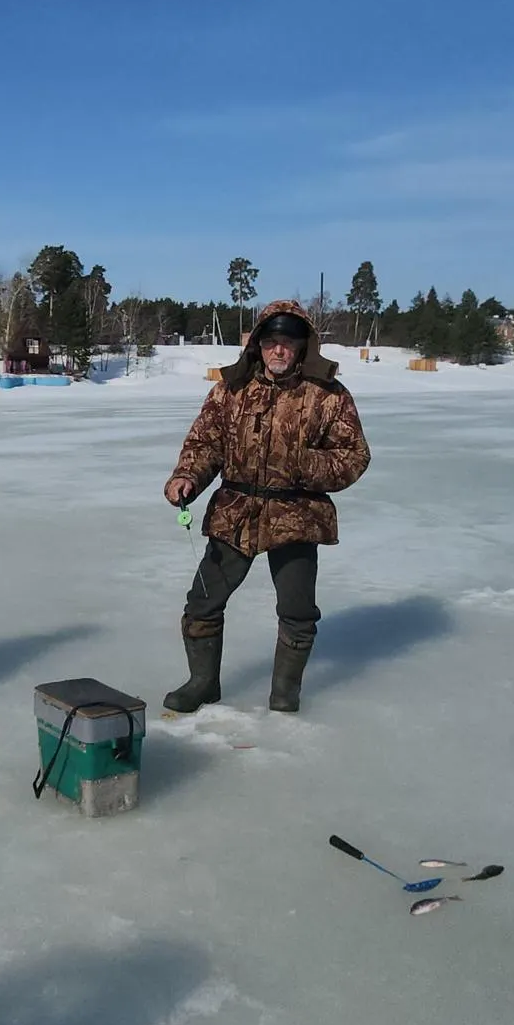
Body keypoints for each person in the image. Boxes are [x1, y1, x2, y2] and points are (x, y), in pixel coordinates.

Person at [162, 299, 370, 714]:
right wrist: (187, 476)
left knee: (297, 611)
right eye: (271, 341)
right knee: (202, 603)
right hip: (235, 510)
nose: (278, 350)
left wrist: (305, 465)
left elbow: (354, 455)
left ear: (301, 347)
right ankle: (202, 683)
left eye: (287, 343)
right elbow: (205, 443)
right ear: (258, 345)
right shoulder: (230, 389)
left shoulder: (328, 395)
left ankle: (284, 694)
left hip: (296, 515)